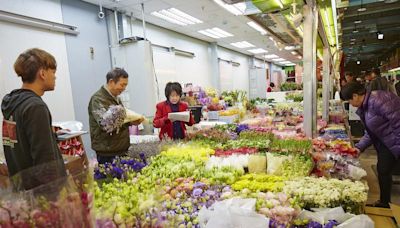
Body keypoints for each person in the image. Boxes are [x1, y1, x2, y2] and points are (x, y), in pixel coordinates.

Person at [1, 48, 66, 190]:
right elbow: (45, 160)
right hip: (41, 193)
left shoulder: (12, 103)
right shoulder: (35, 107)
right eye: (53, 72)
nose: (55, 77)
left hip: (22, 187)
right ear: (42, 73)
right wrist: (53, 194)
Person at [340, 82, 400, 208]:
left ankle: (385, 203)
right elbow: (371, 131)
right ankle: (384, 203)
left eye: (349, 101)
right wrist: (359, 147)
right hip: (386, 141)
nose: (350, 104)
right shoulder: (366, 106)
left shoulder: (379, 100)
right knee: (383, 170)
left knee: (384, 170)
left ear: (355, 96)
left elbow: (398, 122)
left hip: (394, 140)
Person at [88, 68, 144, 164]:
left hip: (120, 148)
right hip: (107, 151)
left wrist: (131, 122)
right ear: (111, 82)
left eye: (125, 85)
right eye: (122, 85)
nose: (123, 88)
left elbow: (119, 120)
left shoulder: (115, 98)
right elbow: (106, 125)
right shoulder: (98, 99)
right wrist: (127, 122)